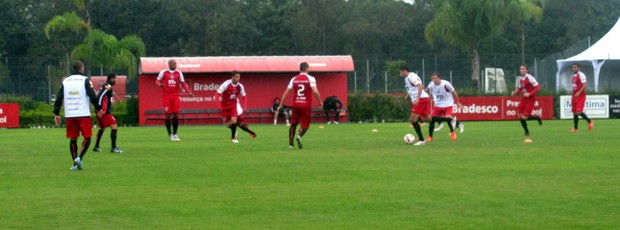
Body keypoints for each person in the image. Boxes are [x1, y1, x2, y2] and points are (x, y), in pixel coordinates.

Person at [53, 61, 101, 170]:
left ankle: (75, 165)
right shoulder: (85, 80)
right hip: (83, 114)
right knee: (87, 137)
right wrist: (98, 109)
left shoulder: (66, 81)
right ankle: (79, 158)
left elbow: (59, 97)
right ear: (81, 68)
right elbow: (92, 96)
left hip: (70, 114)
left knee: (73, 139)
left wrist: (56, 113)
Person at [278, 62, 323, 149]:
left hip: (296, 104)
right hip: (305, 105)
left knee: (293, 124)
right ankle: (299, 136)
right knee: (305, 125)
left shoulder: (294, 79)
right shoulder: (311, 78)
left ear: (300, 69)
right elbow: (315, 91)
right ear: (307, 68)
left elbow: (286, 92)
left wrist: (281, 104)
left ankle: (290, 144)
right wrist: (320, 101)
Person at [156, 59, 195, 141]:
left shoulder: (179, 73)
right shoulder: (163, 72)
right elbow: (157, 81)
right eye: (173, 64)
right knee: (167, 115)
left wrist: (188, 92)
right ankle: (170, 134)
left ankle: (175, 134)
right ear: (169, 64)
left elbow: (183, 83)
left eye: (175, 64)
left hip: (175, 97)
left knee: (176, 115)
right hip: (167, 96)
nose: (175, 65)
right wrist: (159, 84)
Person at [215, 71, 256, 143]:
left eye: (239, 77)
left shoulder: (240, 86)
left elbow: (244, 96)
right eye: (237, 77)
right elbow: (217, 94)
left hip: (234, 105)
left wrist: (244, 106)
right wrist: (219, 106)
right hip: (225, 105)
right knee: (230, 124)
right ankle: (252, 133)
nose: (238, 78)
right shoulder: (226, 84)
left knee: (234, 120)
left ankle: (233, 138)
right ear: (233, 77)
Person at [425, 73, 462, 141]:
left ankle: (452, 132)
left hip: (448, 104)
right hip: (438, 105)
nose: (434, 80)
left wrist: (458, 102)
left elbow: (454, 92)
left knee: (447, 118)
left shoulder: (446, 84)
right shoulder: (431, 84)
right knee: (431, 120)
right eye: (433, 79)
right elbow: (426, 91)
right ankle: (430, 137)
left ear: (439, 78)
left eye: (435, 78)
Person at [510, 65, 542, 143]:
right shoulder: (521, 79)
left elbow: (538, 88)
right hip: (524, 99)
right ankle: (527, 132)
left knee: (524, 117)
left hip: (530, 99)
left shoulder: (530, 78)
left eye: (523, 69)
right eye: (521, 69)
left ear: (527, 70)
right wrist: (515, 92)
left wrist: (529, 94)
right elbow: (520, 89)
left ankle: (537, 117)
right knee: (520, 115)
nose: (522, 70)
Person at [400, 66, 431, 145]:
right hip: (423, 98)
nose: (400, 73)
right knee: (428, 119)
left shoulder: (410, 77)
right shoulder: (408, 78)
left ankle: (421, 140)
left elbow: (420, 85)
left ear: (404, 71)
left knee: (413, 120)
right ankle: (449, 119)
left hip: (421, 99)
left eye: (401, 71)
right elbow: (412, 88)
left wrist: (417, 98)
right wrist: (408, 95)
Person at [93, 73, 122, 153]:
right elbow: (100, 96)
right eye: (116, 78)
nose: (117, 80)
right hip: (104, 112)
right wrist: (99, 109)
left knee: (102, 128)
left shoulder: (106, 86)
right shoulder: (107, 86)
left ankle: (96, 146)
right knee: (114, 126)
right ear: (111, 79)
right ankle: (113, 148)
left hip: (101, 111)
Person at [569, 63, 593, 132]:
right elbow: (573, 86)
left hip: (581, 96)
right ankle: (576, 128)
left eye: (575, 67)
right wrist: (572, 94)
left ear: (579, 68)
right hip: (574, 96)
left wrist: (579, 92)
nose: (574, 68)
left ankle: (590, 121)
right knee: (574, 112)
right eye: (573, 67)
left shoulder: (581, 75)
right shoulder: (572, 76)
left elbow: (584, 85)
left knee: (578, 112)